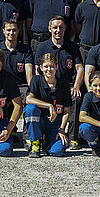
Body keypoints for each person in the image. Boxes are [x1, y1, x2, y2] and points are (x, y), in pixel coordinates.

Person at [34, 16, 85, 146]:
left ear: (65, 28)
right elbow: (37, 70)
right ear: (49, 29)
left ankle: (72, 137)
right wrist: (40, 87)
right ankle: (36, 138)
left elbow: (79, 68)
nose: (58, 30)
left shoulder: (72, 46)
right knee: (33, 105)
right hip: (47, 87)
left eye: (61, 27)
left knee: (76, 99)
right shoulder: (42, 47)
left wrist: (76, 86)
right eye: (55, 27)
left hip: (67, 86)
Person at [22, 54, 70, 158]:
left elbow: (66, 111)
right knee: (30, 109)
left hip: (55, 124)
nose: (49, 69)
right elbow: (28, 99)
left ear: (57, 67)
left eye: (52, 66)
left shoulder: (64, 84)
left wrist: (62, 129)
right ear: (41, 67)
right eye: (46, 66)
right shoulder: (36, 80)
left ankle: (48, 142)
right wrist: (49, 106)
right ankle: (35, 143)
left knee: (58, 151)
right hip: (40, 121)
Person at [0, 20, 35, 85]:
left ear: (18, 31)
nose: (11, 33)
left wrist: (31, 89)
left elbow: (29, 71)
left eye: (14, 30)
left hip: (21, 86)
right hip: (1, 86)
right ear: (3, 31)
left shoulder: (26, 50)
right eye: (8, 30)